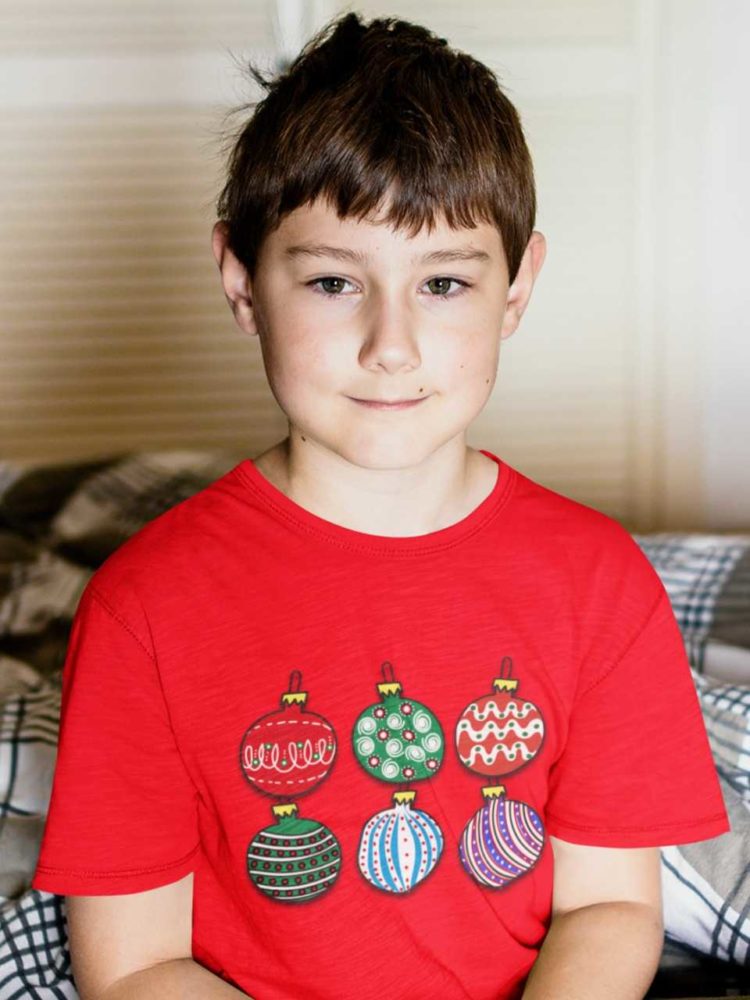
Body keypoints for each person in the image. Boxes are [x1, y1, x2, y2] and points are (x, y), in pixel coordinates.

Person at [31, 12, 730, 1000]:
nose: (390, 345)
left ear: (519, 287)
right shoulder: (142, 605)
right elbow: (138, 964)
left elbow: (609, 908)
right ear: (241, 281)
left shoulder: (599, 582)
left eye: (443, 282)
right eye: (330, 281)